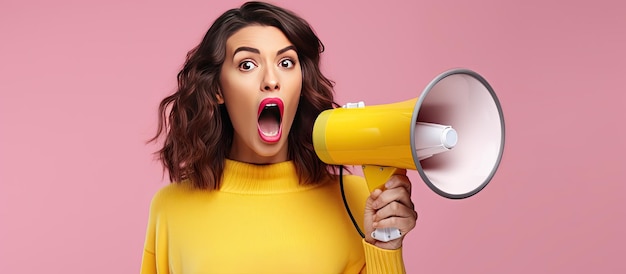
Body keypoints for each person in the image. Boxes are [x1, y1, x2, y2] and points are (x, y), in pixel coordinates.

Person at [140, 1, 418, 273]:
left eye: (286, 62)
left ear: (301, 82)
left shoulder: (358, 198)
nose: (271, 80)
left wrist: (385, 245)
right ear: (217, 90)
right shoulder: (171, 208)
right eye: (247, 65)